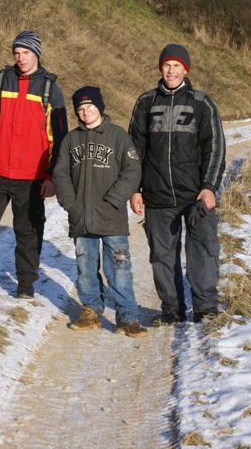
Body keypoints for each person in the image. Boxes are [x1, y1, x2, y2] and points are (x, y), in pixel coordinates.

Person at [128, 44, 226, 325]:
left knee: (203, 250)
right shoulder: (146, 102)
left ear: (186, 69)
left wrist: (209, 186)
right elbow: (134, 150)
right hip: (157, 195)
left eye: (176, 66)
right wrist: (135, 189)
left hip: (195, 195)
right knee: (162, 255)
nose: (171, 71)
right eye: (166, 65)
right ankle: (171, 309)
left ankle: (205, 307)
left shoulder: (201, 102)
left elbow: (215, 147)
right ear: (160, 68)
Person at [0, 30, 67, 299]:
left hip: (32, 176)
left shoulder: (50, 89)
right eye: (17, 52)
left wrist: (51, 176)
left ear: (36, 54)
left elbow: (58, 138)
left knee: (28, 231)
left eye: (25, 52)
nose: (20, 58)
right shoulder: (2, 80)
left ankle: (26, 280)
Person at [54, 87, 147, 338]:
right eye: (81, 109)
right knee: (85, 267)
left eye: (90, 107)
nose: (86, 112)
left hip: (111, 216)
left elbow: (132, 170)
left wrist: (115, 198)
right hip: (82, 217)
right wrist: (70, 202)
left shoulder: (118, 136)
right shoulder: (71, 139)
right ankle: (91, 312)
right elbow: (61, 173)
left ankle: (127, 317)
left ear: (100, 108)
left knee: (119, 268)